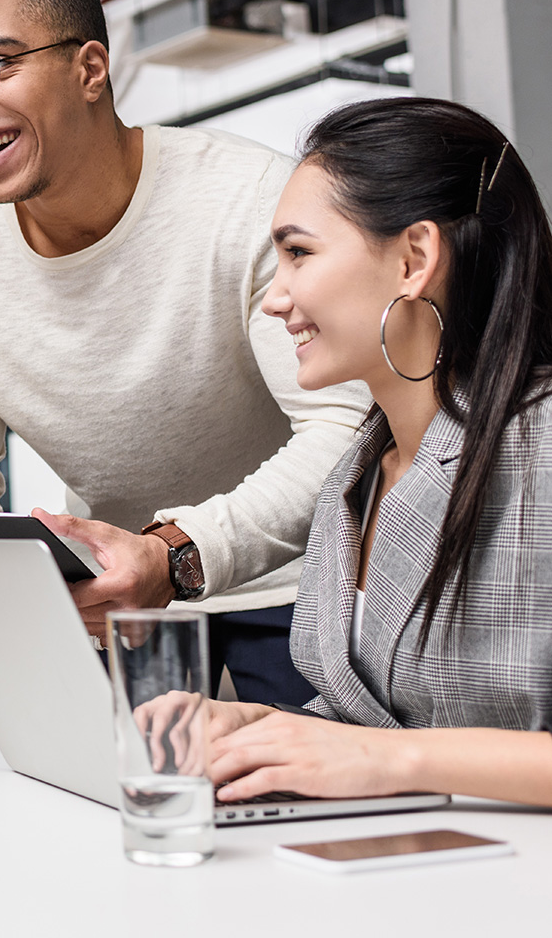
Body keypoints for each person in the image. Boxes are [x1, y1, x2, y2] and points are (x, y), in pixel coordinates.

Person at [0, 0, 368, 706]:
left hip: (301, 582)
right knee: (110, 810)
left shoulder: (249, 197)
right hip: (122, 598)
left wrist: (175, 549)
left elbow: (342, 427)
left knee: (304, 812)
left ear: (90, 70)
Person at [193, 98, 552, 806]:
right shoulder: (356, 479)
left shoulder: (540, 444)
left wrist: (388, 757)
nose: (276, 298)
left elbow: (391, 749)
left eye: (298, 253)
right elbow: (376, 724)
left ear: (414, 259)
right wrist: (258, 728)